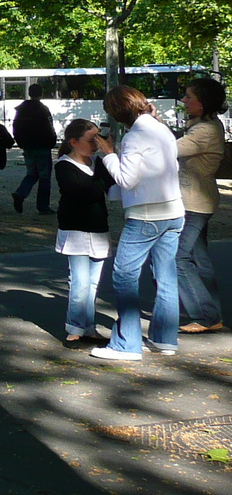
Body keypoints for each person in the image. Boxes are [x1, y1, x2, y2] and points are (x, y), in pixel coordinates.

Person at [90, 85, 182, 361]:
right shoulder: (160, 129)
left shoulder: (135, 136)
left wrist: (108, 154)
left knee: (124, 274)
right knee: (166, 276)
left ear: (118, 113)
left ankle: (127, 343)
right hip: (173, 210)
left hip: (146, 214)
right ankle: (165, 338)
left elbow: (127, 179)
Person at [54, 119, 114, 345]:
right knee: (79, 281)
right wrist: (104, 178)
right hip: (75, 229)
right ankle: (75, 325)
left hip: (98, 227)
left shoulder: (98, 163)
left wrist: (110, 160)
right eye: (92, 139)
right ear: (74, 142)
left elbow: (114, 187)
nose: (96, 144)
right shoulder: (64, 165)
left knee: (93, 283)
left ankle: (87, 325)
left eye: (99, 138)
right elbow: (83, 192)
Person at [176, 77, 227, 334]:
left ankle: (206, 316)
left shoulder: (204, 130)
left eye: (189, 97)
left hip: (194, 203)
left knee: (178, 257)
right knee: (198, 258)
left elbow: (168, 150)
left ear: (202, 103)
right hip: (199, 200)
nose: (184, 101)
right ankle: (211, 313)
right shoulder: (204, 125)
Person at [12, 84, 58, 214]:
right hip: (42, 146)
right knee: (44, 177)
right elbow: (50, 127)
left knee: (32, 173)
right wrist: (51, 141)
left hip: (27, 146)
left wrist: (20, 142)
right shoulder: (43, 109)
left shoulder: (21, 110)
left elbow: (15, 127)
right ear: (41, 94)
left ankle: (20, 193)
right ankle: (43, 207)